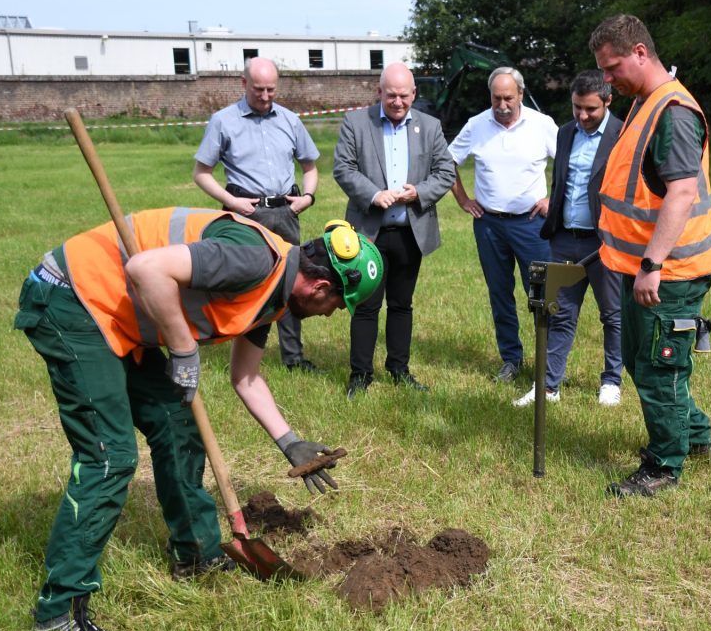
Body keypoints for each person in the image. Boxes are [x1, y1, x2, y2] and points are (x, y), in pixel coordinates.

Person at [15, 208, 382, 631]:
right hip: (74, 297)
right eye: (336, 306)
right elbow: (144, 268)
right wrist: (185, 348)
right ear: (321, 287)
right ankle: (58, 615)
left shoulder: (274, 295)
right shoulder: (253, 262)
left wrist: (291, 443)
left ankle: (195, 555)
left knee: (178, 428)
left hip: (122, 314)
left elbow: (245, 377)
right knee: (110, 456)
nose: (330, 315)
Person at [589, 14, 711, 498]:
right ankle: (697, 435)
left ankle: (664, 465)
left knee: (659, 366)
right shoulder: (646, 102)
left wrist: (652, 265)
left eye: (613, 66)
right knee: (638, 361)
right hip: (638, 267)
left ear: (641, 53)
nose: (607, 78)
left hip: (669, 272)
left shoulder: (672, 112)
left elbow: (682, 192)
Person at [193, 56, 323, 373]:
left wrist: (306, 197)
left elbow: (311, 167)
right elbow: (202, 173)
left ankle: (293, 358)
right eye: (258, 90)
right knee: (242, 283)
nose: (265, 97)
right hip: (244, 213)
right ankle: (231, 349)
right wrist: (231, 202)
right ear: (243, 84)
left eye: (271, 90)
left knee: (291, 283)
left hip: (285, 212)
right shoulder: (223, 121)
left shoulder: (291, 121)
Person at [333, 63, 456, 398]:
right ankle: (360, 374)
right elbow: (343, 168)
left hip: (409, 232)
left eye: (404, 95)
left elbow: (446, 171)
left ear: (414, 94)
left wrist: (419, 192)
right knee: (366, 305)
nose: (398, 102)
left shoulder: (430, 127)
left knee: (402, 304)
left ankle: (399, 369)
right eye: (391, 95)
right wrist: (374, 194)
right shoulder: (356, 123)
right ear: (379, 92)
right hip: (368, 235)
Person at [513, 71, 625, 408]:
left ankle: (611, 381)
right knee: (559, 313)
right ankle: (548, 386)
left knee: (613, 315)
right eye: (577, 107)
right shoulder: (564, 133)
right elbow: (565, 180)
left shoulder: (623, 135)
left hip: (605, 242)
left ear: (607, 101)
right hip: (564, 239)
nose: (582, 116)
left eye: (590, 109)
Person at [448, 67, 558, 383]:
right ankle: (511, 359)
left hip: (532, 225)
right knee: (500, 294)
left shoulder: (542, 124)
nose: (502, 105)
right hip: (489, 226)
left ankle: (549, 364)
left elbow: (567, 163)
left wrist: (554, 200)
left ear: (521, 94)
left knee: (542, 294)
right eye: (496, 98)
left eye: (508, 97)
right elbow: (447, 161)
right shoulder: (476, 125)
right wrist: (463, 199)